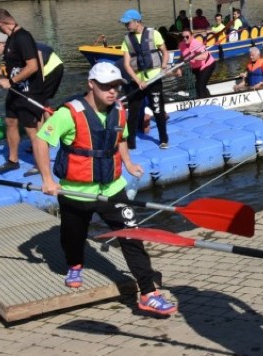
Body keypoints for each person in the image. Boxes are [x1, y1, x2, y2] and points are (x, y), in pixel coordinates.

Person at [32, 62, 177, 317]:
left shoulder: (119, 109)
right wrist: (47, 178)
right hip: (76, 192)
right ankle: (75, 264)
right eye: (105, 87)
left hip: (112, 189)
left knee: (132, 238)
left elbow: (120, 138)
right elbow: (42, 141)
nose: (112, 92)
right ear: (91, 84)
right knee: (72, 237)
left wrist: (129, 164)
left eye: (116, 87)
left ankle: (148, 294)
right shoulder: (69, 113)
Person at [0, 9, 47, 175]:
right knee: (10, 122)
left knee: (31, 129)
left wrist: (12, 81)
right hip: (15, 91)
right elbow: (10, 63)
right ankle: (13, 161)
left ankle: (40, 165)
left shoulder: (23, 37)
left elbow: (33, 66)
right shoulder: (11, 38)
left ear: (0, 23)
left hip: (29, 92)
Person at [119, 8, 172, 150]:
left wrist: (164, 66)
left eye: (128, 23)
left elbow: (164, 52)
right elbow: (126, 64)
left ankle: (163, 139)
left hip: (154, 79)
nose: (126, 26)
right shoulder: (127, 40)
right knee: (133, 112)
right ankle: (130, 143)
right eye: (125, 24)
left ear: (137, 22)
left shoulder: (154, 34)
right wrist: (137, 81)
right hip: (137, 81)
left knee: (158, 110)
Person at [179, 30, 216, 98]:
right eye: (183, 37)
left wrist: (191, 57)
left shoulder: (196, 44)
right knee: (199, 85)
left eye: (187, 37)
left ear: (192, 36)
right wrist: (178, 66)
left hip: (207, 65)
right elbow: (182, 56)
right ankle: (208, 97)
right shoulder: (181, 44)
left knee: (200, 86)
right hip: (196, 67)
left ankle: (202, 102)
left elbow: (204, 56)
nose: (185, 39)